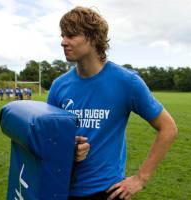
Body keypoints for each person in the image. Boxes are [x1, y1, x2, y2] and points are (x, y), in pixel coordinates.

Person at [47, 6, 178, 200]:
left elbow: (168, 128)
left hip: (108, 191)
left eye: (71, 35)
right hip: (63, 189)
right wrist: (68, 147)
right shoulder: (59, 86)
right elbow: (49, 139)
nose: (63, 42)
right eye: (63, 35)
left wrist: (140, 179)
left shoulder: (126, 82)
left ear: (93, 38)